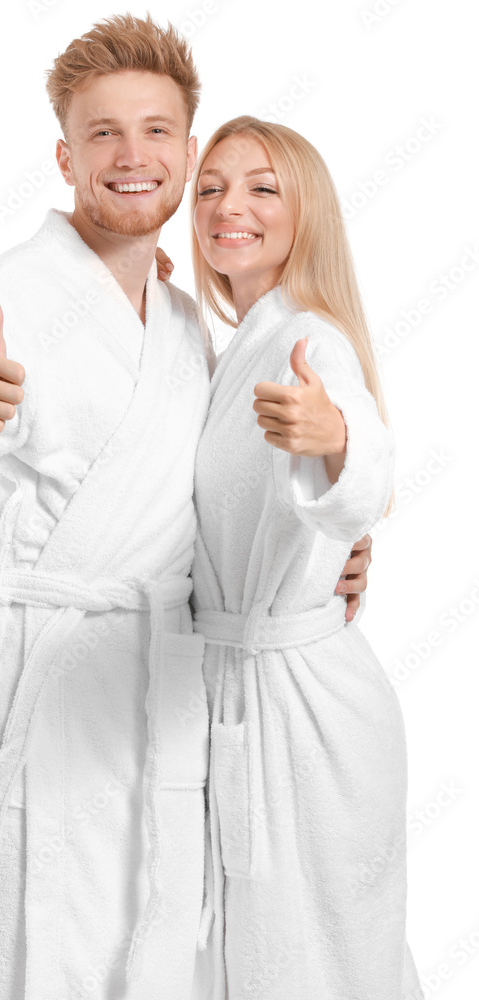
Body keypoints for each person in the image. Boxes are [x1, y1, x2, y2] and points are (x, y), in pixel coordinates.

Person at [0, 15, 373, 999]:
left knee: (147, 948)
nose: (131, 156)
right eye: (102, 133)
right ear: (64, 156)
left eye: (154, 132)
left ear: (185, 152)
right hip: (40, 682)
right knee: (15, 952)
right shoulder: (10, 291)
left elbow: (224, 484)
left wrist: (335, 543)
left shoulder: (184, 324)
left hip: (162, 692)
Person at [168, 116, 421, 999]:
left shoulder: (309, 340)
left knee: (323, 963)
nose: (227, 205)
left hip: (305, 719)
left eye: (261, 187)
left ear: (306, 213)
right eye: (209, 188)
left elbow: (362, 461)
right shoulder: (233, 343)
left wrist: (338, 440)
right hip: (239, 692)